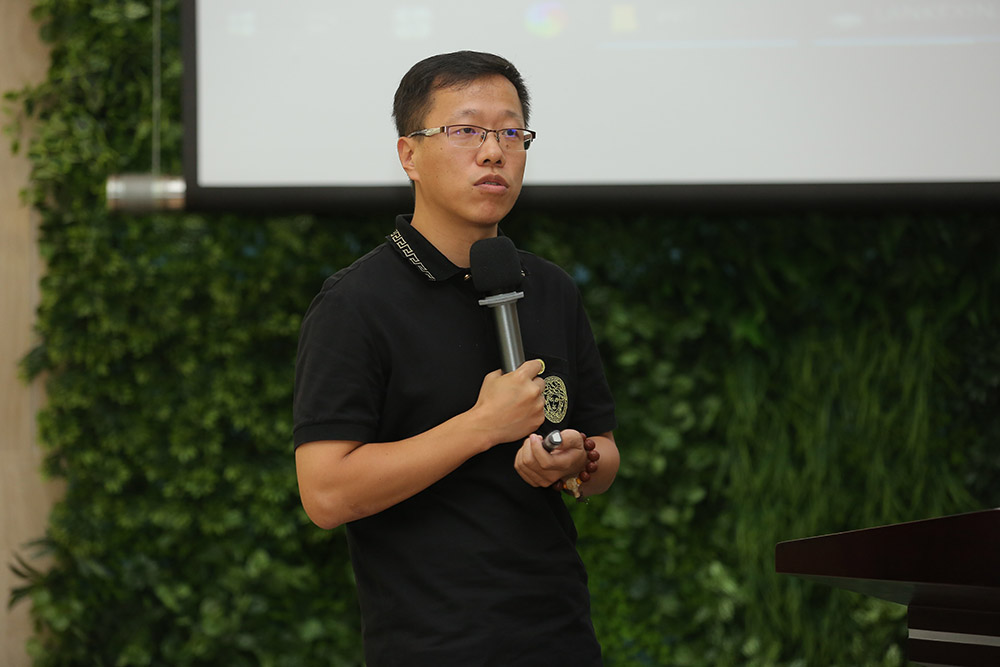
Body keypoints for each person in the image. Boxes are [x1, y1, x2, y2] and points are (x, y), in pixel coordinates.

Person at [293, 50, 620, 666]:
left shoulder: (550, 289)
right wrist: (482, 426)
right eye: (466, 131)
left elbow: (602, 453)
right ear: (409, 154)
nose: (493, 153)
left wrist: (578, 459)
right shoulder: (356, 304)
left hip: (561, 637)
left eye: (511, 133)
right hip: (431, 646)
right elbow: (326, 494)